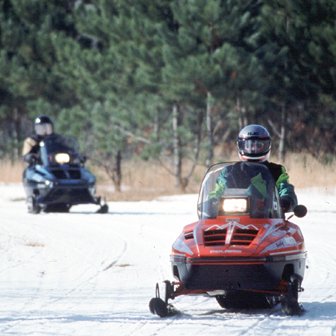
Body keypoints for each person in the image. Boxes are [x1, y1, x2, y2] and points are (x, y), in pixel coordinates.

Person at [211, 124, 297, 213]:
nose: (253, 149)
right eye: (248, 145)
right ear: (240, 145)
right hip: (232, 217)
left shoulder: (276, 171)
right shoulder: (229, 171)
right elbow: (219, 188)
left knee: (254, 189)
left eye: (258, 145)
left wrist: (286, 200)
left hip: (268, 218)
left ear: (267, 146)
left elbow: (285, 188)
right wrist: (212, 201)